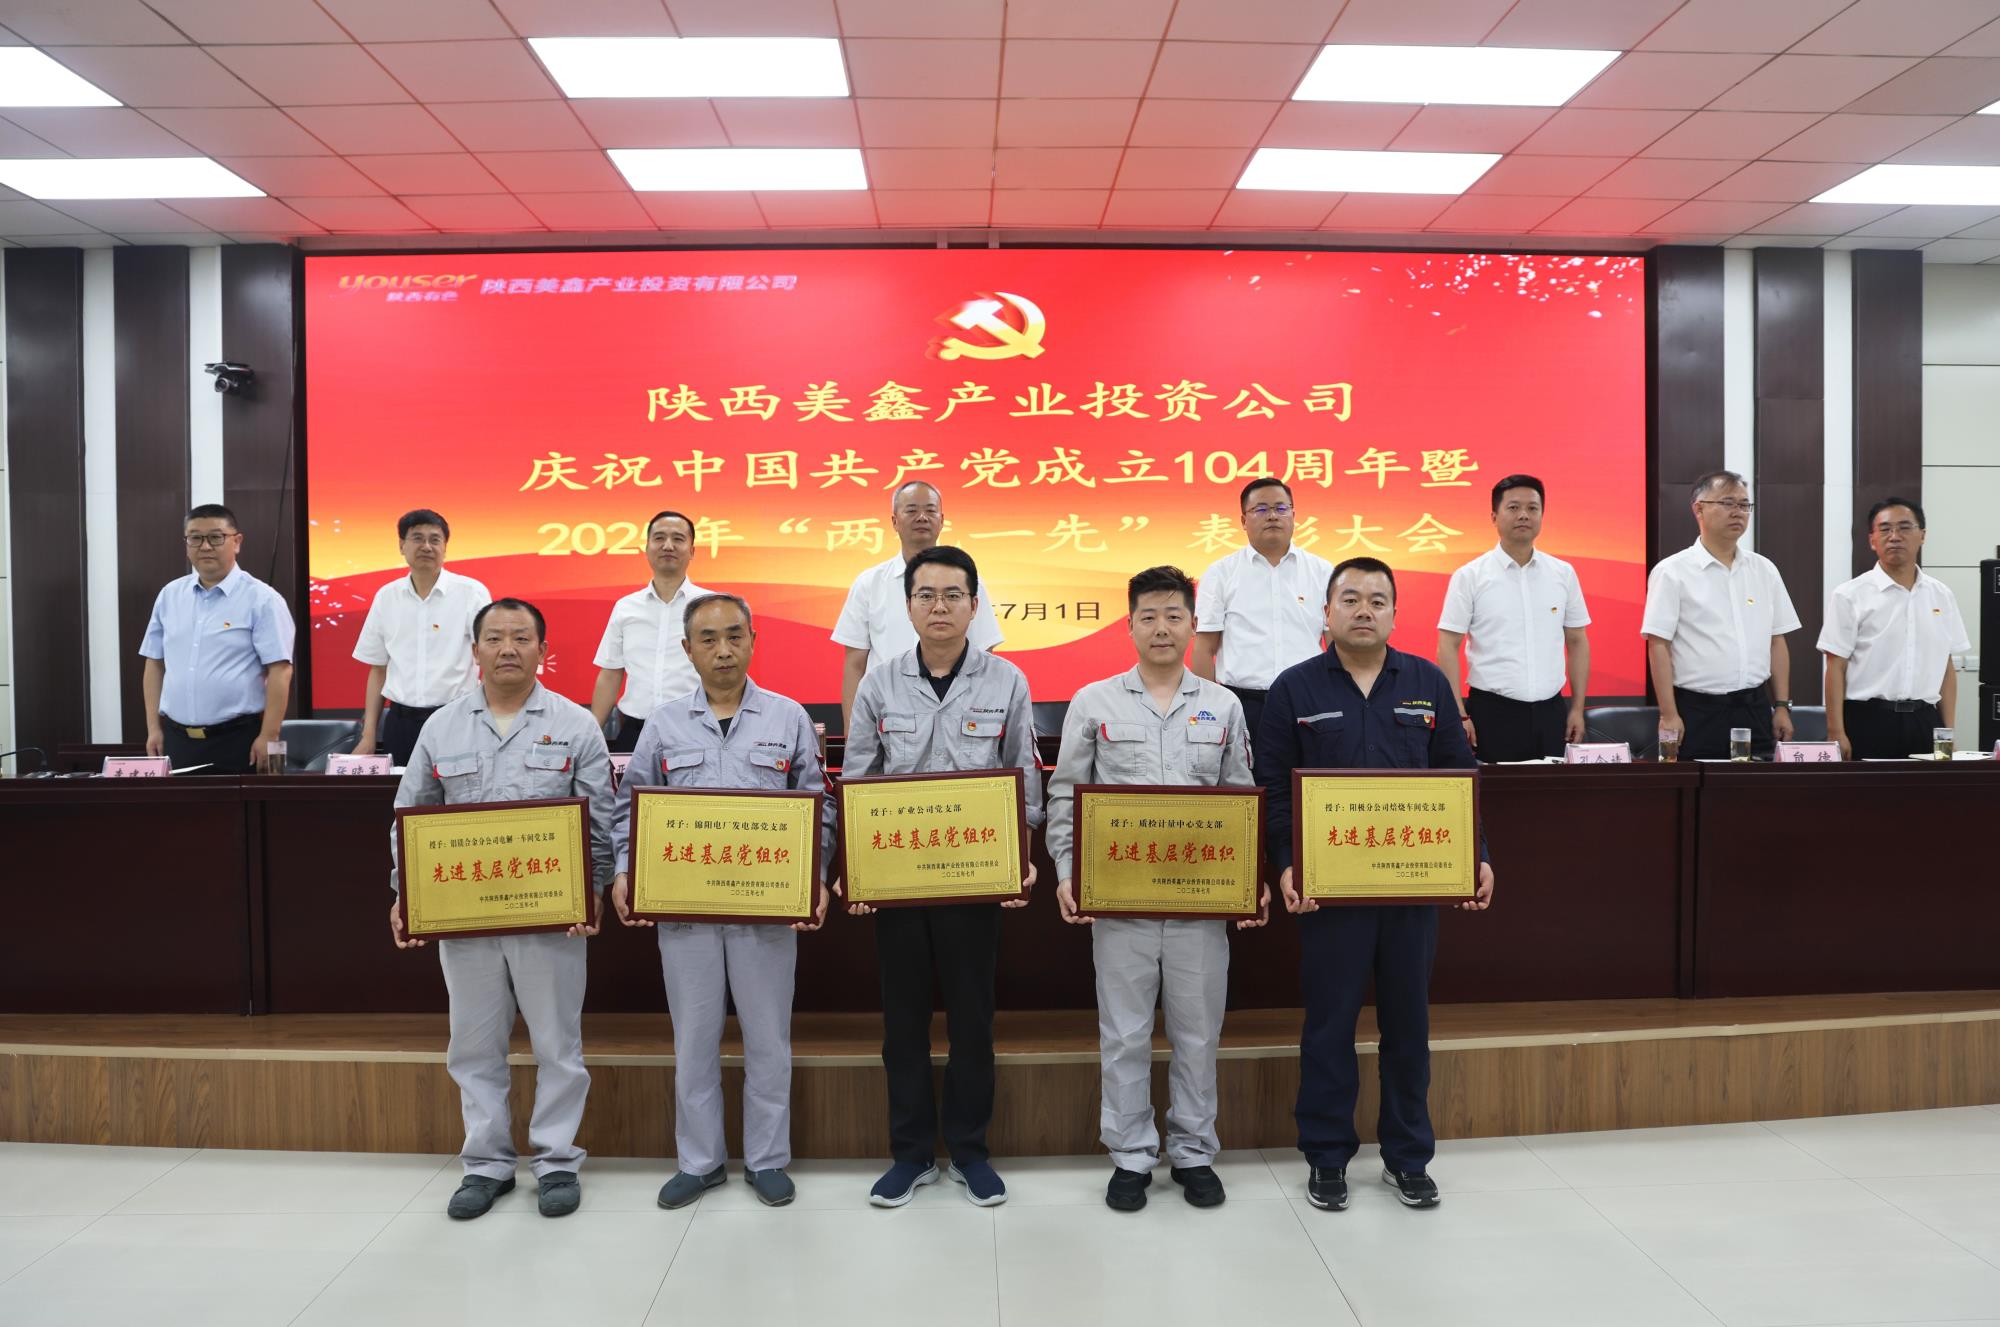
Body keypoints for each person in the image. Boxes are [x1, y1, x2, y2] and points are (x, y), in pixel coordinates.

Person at [1257, 557, 1494, 1214]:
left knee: (1408, 1027)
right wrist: (1286, 864)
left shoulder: (1427, 682)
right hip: (1329, 894)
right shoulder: (1293, 688)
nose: (1365, 610)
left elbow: (1457, 777)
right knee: (1328, 1026)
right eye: (1351, 598)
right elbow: (1274, 789)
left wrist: (1475, 855)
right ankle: (1327, 1156)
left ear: (1394, 612)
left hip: (1411, 890)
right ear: (1326, 611)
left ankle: (1408, 1157)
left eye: (1378, 600)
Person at [1045, 566, 1265, 1213]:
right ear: (1130, 624)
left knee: (1198, 1034)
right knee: (1124, 1034)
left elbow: (1240, 798)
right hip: (1122, 904)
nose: (1162, 627)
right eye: (1149, 616)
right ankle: (1131, 1155)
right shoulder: (1094, 701)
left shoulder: (1224, 705)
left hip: (1200, 905)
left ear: (1193, 624)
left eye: (1174, 615)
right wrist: (1067, 871)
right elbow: (1066, 795)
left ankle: (1193, 1152)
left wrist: (1247, 880)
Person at [389, 598, 617, 1221]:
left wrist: (593, 890)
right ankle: (486, 1165)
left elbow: (600, 820)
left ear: (543, 650)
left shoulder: (576, 724)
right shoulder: (441, 727)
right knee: (473, 1045)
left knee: (557, 1045)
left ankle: (557, 1160)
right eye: (495, 638)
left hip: (552, 917)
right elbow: (410, 816)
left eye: (521, 637)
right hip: (467, 918)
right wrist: (405, 891)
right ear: (476, 651)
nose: (508, 648)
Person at [610, 593, 835, 1210]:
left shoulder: (788, 717)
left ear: (753, 641)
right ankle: (700, 1161)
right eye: (708, 639)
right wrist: (626, 869)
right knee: (694, 1040)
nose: (724, 650)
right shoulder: (663, 724)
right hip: (687, 915)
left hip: (767, 910)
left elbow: (818, 807)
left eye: (735, 636)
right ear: (688, 650)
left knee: (768, 1038)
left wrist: (815, 875)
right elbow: (631, 807)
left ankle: (767, 1159)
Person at [840, 545, 1041, 1209]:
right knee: (902, 1023)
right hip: (899, 886)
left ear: (974, 605)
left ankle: (970, 1150)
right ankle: (911, 1153)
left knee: (972, 1022)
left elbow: (1024, 777)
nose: (939, 607)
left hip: (974, 882)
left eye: (953, 595)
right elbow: (860, 778)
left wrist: (1020, 858)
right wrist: (858, 870)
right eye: (925, 595)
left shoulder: (1007, 680)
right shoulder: (879, 683)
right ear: (907, 606)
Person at [1641, 471, 1801, 760]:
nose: (1738, 512)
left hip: (1754, 706)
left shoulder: (1764, 570)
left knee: (1756, 785)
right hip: (1696, 710)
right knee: (1697, 784)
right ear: (1699, 509)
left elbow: (1777, 641)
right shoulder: (1672, 572)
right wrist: (1668, 714)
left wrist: (1781, 706)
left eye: (1744, 505)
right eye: (1728, 503)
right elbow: (1658, 645)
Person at [1435, 475, 1592, 762]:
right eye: (1513, 507)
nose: (1523, 515)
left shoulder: (1563, 573)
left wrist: (1577, 709)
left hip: (1551, 712)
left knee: (1551, 789)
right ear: (1494, 517)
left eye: (1532, 508)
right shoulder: (1470, 576)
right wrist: (1459, 714)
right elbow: (1447, 645)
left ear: (1542, 515)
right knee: (1495, 789)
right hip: (1492, 712)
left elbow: (1577, 641)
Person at [832, 480, 1004, 735]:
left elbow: (984, 657)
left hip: (957, 722)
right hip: (887, 723)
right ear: (894, 521)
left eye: (930, 510)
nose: (922, 517)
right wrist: (853, 735)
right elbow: (855, 665)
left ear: (942, 520)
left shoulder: (969, 581)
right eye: (911, 510)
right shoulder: (869, 583)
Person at [140, 503, 295, 773]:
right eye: (195, 538)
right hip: (176, 739)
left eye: (215, 537)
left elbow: (280, 670)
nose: (205, 546)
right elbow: (154, 663)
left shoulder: (262, 599)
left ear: (237, 542)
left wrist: (269, 736)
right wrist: (154, 728)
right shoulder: (169, 596)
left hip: (238, 740)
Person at [1191, 478, 1335, 760]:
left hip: (1309, 702)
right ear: (1243, 520)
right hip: (1242, 704)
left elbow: (1336, 645)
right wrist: (1209, 710)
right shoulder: (1221, 573)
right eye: (1261, 509)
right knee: (1245, 782)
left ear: (1294, 515)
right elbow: (1204, 649)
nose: (1272, 516)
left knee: (1306, 781)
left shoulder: (1322, 571)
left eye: (1281, 508)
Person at [1821, 498, 1971, 760]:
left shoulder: (1941, 595)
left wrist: (1947, 733)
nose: (1894, 537)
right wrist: (1836, 731)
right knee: (1867, 788)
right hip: (1867, 720)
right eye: (1885, 529)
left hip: (1925, 720)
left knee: (1928, 788)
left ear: (1922, 535)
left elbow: (1946, 668)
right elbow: (1835, 666)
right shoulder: (1850, 595)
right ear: (1872, 540)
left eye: (1904, 528)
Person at [352, 509, 491, 766]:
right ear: (401, 546)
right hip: (400, 722)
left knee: (457, 790)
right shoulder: (387, 597)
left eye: (435, 539)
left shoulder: (471, 592)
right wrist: (368, 735)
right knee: (402, 791)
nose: (426, 546)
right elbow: (378, 669)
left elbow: (490, 658)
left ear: (445, 548)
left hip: (456, 718)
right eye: (417, 538)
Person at [592, 510, 710, 753]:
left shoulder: (710, 606)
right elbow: (611, 673)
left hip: (696, 728)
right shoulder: (626, 607)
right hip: (635, 729)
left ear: (692, 551)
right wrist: (591, 734)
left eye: (678, 539)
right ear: (646, 548)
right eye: (659, 538)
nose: (668, 545)